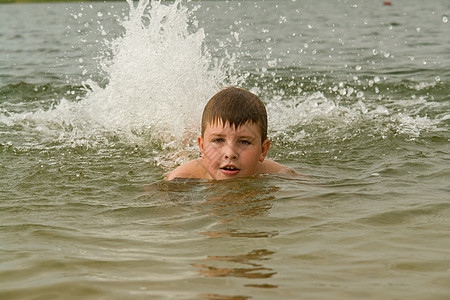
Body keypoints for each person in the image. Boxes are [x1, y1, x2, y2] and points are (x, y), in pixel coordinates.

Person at [165, 87, 296, 180]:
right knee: (175, 156)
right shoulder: (182, 177)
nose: (230, 154)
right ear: (202, 146)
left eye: (244, 141)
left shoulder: (277, 174)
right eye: (218, 140)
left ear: (263, 150)